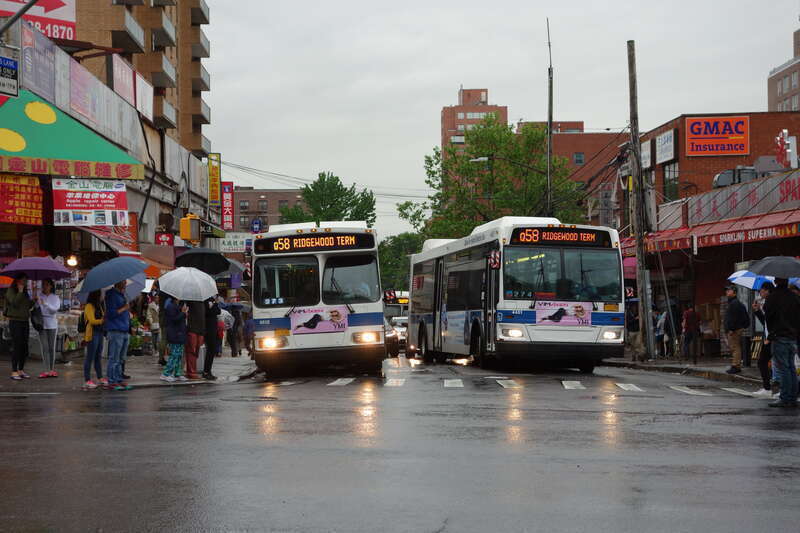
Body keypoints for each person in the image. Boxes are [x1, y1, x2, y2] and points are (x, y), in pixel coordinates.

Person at [764, 278, 800, 408]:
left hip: (779, 336)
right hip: (792, 336)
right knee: (791, 367)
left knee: (783, 368)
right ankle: (793, 397)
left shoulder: (773, 297)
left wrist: (771, 333)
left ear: (776, 281)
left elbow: (768, 316)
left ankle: (784, 397)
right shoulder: (795, 297)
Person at [6, 273, 34, 380]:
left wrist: (33, 301)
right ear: (17, 281)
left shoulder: (26, 292)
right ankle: (14, 371)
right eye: (23, 280)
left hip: (24, 321)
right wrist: (20, 292)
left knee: (24, 346)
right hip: (15, 321)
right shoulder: (11, 291)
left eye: (26, 280)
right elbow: (14, 303)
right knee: (17, 346)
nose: (25, 282)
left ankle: (21, 369)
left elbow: (27, 306)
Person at [105, 280, 132, 391]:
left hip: (124, 329)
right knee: (114, 358)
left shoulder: (121, 295)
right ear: (117, 281)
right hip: (116, 330)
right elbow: (111, 314)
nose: (126, 282)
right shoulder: (111, 295)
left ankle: (118, 379)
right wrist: (124, 308)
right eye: (123, 280)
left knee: (121, 358)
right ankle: (112, 380)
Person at [752, 282, 775, 398]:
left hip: (772, 338)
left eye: (761, 290)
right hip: (769, 337)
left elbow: (775, 322)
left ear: (767, 290)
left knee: (766, 362)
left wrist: (769, 338)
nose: (760, 292)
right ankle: (768, 388)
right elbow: (766, 322)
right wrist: (757, 311)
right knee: (764, 362)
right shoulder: (768, 302)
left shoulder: (772, 302)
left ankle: (769, 388)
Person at [36, 279, 61, 378]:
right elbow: (35, 309)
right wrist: (35, 301)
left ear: (51, 286)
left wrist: (45, 304)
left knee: (51, 348)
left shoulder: (55, 297)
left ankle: (52, 369)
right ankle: (46, 370)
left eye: (47, 285)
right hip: (41, 323)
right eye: (43, 285)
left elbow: (54, 310)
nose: (45, 287)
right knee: (45, 347)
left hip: (52, 324)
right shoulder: (38, 296)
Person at [82, 290, 106, 389]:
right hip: (92, 334)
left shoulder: (99, 306)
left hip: (100, 333)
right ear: (96, 295)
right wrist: (102, 320)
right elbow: (92, 320)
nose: (102, 296)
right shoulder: (89, 306)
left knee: (98, 356)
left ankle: (100, 377)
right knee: (90, 357)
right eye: (100, 295)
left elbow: (103, 316)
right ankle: (87, 380)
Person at [162, 296, 188, 383]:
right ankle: (166, 374)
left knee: (179, 355)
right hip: (174, 334)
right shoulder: (170, 306)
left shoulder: (177, 306)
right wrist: (183, 313)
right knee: (174, 355)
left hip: (179, 334)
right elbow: (174, 319)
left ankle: (177, 373)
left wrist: (183, 313)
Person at [723, 286, 749, 374]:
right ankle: (736, 365)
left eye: (728, 290)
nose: (727, 292)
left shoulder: (734, 303)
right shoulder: (735, 303)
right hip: (736, 328)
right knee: (735, 347)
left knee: (735, 347)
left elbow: (733, 318)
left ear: (734, 292)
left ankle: (736, 365)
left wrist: (731, 328)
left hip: (734, 330)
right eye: (726, 290)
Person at [185, 300, 205, 380]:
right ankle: (191, 372)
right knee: (191, 350)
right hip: (192, 328)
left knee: (196, 351)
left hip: (200, 329)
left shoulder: (203, 301)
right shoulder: (188, 300)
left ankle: (192, 371)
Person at [202, 297, 221, 380]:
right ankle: (206, 371)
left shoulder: (212, 300)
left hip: (213, 328)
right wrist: (214, 306)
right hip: (208, 328)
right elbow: (208, 312)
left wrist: (215, 304)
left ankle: (208, 370)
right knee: (210, 350)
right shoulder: (205, 301)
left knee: (212, 350)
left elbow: (218, 311)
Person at [146, 294, 161, 363]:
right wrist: (151, 322)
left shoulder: (161, 306)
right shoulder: (150, 305)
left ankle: (158, 351)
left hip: (160, 324)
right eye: (156, 298)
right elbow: (148, 314)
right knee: (154, 339)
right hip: (153, 324)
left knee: (159, 339)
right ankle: (155, 349)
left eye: (158, 298)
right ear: (154, 298)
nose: (157, 299)